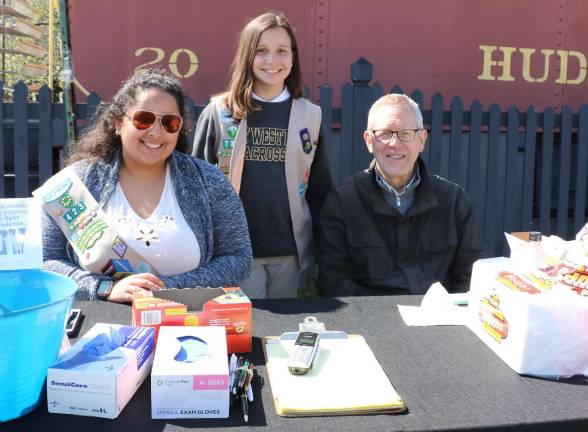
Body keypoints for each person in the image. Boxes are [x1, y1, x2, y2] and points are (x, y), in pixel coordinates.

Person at [41, 69, 252, 302]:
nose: (155, 131)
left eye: (169, 122)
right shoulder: (77, 184)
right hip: (101, 328)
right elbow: (46, 261)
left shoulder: (209, 181)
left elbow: (238, 259)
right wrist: (104, 288)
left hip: (189, 326)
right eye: (144, 119)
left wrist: (163, 288)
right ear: (119, 123)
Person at [193, 11, 332, 299]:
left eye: (282, 51)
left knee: (282, 334)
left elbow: (319, 188)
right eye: (261, 51)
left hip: (289, 251)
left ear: (293, 58)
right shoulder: (220, 113)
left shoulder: (310, 115)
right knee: (249, 331)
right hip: (236, 252)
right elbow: (195, 188)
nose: (272, 60)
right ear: (247, 56)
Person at [318, 94, 485, 296]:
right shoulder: (343, 200)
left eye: (405, 133)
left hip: (437, 319)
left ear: (421, 139)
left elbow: (471, 277)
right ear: (369, 141)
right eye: (385, 133)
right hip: (369, 321)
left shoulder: (454, 201)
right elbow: (333, 280)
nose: (394, 143)